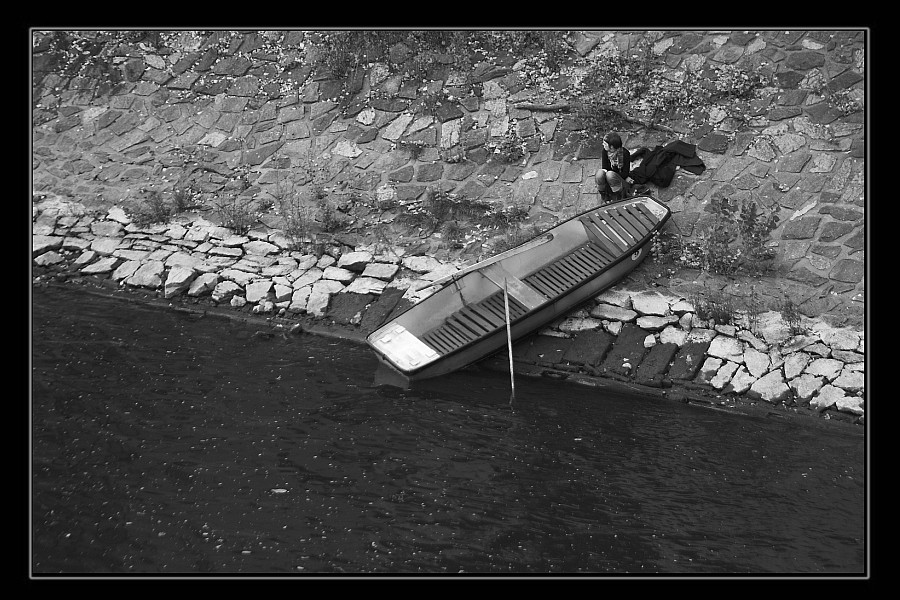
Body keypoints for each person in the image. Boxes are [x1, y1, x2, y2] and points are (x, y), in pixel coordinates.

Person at [594, 132, 632, 203]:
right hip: (609, 178)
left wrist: (613, 175)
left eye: (605, 144)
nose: (603, 145)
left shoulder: (625, 153)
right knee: (599, 174)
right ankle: (604, 194)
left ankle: (618, 195)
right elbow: (605, 167)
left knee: (610, 175)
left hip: (619, 180)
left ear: (611, 147)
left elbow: (625, 173)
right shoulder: (605, 152)